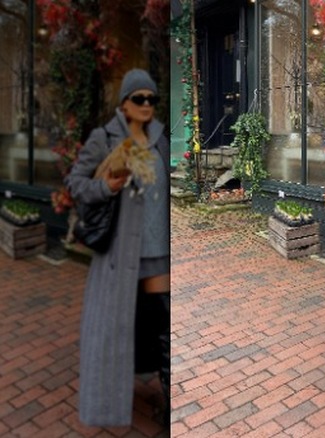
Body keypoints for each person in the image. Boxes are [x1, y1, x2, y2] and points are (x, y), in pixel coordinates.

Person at [67, 69, 170, 427]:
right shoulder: (105, 137)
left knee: (162, 327)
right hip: (118, 255)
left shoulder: (160, 139)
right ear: (124, 103)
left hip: (158, 252)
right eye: (138, 98)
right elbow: (76, 184)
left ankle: (170, 404)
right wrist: (107, 187)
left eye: (151, 99)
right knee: (113, 329)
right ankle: (108, 406)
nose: (146, 105)